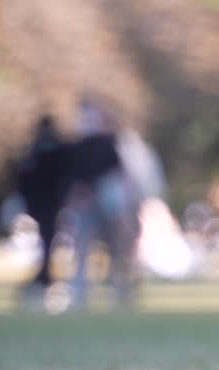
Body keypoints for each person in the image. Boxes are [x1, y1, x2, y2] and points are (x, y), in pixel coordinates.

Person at [65, 95, 140, 310]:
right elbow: (74, 178)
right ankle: (79, 293)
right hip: (85, 206)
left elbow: (118, 174)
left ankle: (120, 290)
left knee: (117, 248)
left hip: (109, 207)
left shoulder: (109, 144)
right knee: (81, 248)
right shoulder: (77, 147)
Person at [16, 115, 68, 299]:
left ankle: (45, 275)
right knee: (46, 241)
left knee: (47, 240)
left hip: (48, 205)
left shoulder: (38, 152)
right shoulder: (43, 151)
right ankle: (44, 275)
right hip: (46, 205)